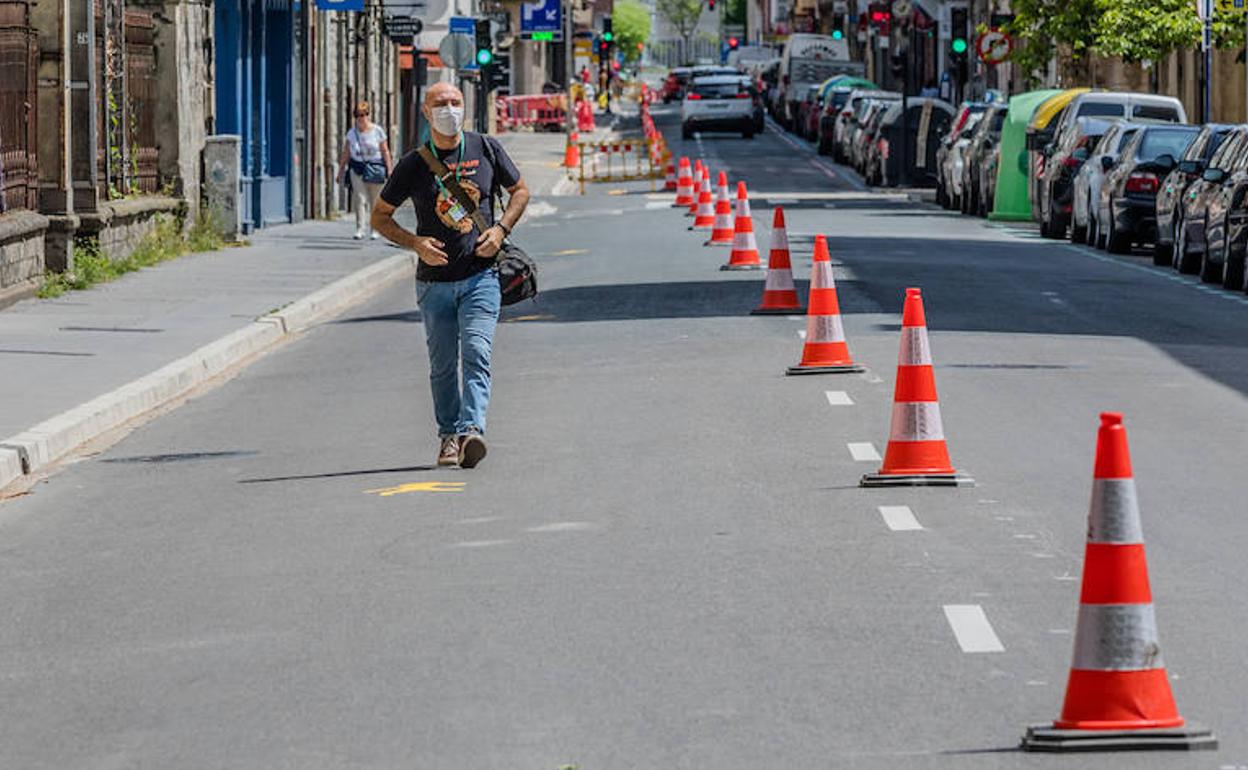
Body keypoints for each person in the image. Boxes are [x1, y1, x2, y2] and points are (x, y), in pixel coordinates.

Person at [371, 82, 530, 469]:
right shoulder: (413, 163)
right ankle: (448, 437)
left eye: (455, 102)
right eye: (440, 104)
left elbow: (520, 191)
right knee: (443, 365)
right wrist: (415, 243)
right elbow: (380, 216)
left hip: (481, 277)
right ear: (425, 112)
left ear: (466, 107)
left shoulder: (486, 148)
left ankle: (471, 430)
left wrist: (500, 230)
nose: (449, 109)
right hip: (433, 283)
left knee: (477, 353)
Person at [337, 100, 394, 240]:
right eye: (358, 115)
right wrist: (341, 170)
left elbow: (385, 151)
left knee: (374, 201)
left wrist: (390, 169)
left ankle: (375, 229)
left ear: (369, 115)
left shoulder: (377, 131)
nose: (361, 118)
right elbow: (346, 152)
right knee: (359, 199)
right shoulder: (351, 133)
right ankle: (360, 229)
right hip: (357, 168)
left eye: (364, 114)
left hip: (374, 168)